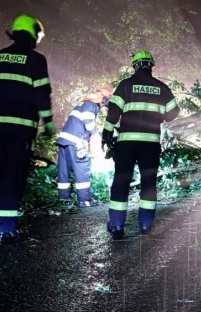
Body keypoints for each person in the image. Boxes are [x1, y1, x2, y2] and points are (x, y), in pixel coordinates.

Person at [0, 14, 53, 244]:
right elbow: (42, 95)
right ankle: (6, 228)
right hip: (21, 130)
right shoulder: (36, 61)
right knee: (13, 175)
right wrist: (48, 122)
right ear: (33, 35)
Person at [102, 49, 179, 239]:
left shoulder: (126, 85)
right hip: (150, 144)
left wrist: (107, 133)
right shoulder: (162, 87)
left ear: (135, 66)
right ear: (151, 66)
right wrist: (158, 114)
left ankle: (117, 225)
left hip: (127, 143)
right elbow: (173, 113)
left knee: (121, 182)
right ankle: (145, 225)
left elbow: (113, 112)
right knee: (148, 183)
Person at [56, 86, 113, 208]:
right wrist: (96, 134)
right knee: (82, 168)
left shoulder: (83, 103)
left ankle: (64, 199)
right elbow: (88, 122)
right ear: (103, 99)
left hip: (64, 140)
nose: (105, 105)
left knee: (63, 171)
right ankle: (84, 200)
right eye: (107, 101)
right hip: (76, 140)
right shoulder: (91, 105)